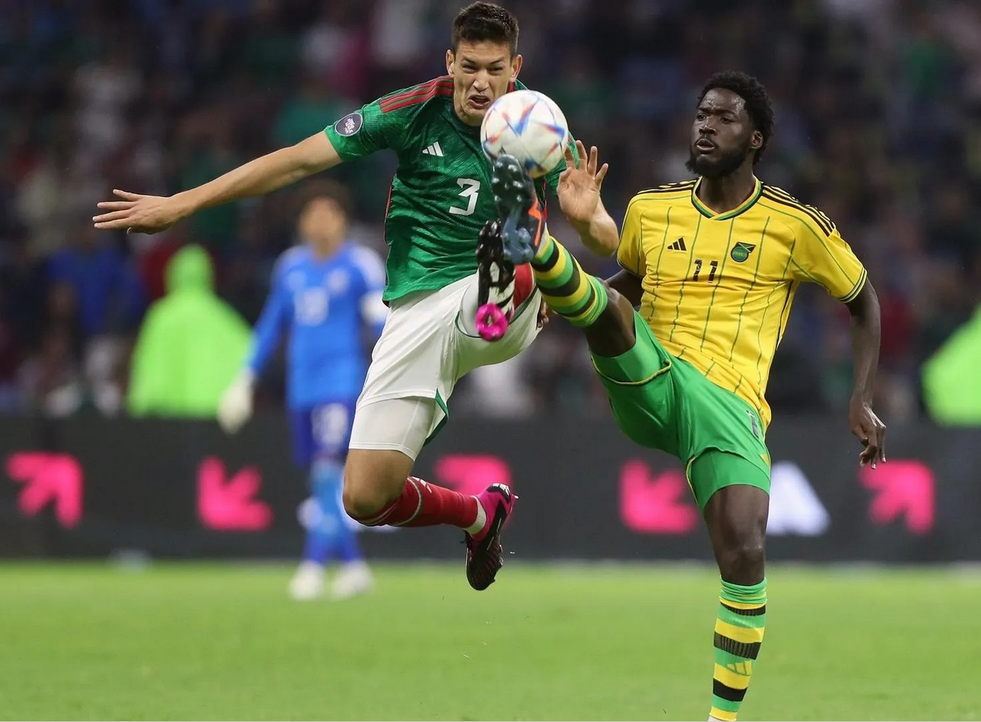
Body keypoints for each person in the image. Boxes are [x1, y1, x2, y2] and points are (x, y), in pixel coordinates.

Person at [94, 2, 613, 590]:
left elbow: (606, 236)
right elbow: (296, 161)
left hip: (502, 304)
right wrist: (184, 202)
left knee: (511, 250)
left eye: (495, 68)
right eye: (469, 66)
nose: (481, 82)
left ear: (515, 67)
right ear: (450, 60)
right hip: (418, 313)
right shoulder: (411, 111)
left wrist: (588, 218)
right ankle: (479, 515)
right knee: (365, 496)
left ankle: (506, 269)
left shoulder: (538, 126)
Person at [492, 72, 888, 721]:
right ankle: (534, 241)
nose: (705, 126)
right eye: (701, 115)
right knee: (615, 310)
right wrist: (574, 263)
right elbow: (625, 286)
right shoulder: (652, 208)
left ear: (755, 138)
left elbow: (862, 299)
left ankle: (721, 720)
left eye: (723, 118)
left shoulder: (794, 225)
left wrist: (862, 397)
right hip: (652, 376)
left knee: (745, 551)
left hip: (729, 409)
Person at [218, 181, 384, 601]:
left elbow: (384, 325)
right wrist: (245, 378)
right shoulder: (290, 268)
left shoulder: (360, 266)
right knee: (320, 479)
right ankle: (352, 567)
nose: (321, 222)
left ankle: (312, 566)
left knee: (328, 470)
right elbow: (272, 324)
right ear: (302, 222)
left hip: (341, 384)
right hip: (301, 389)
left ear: (343, 221)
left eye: (330, 213)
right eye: (313, 214)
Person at [127, 244, 251, 418]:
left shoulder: (162, 316)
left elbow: (149, 369)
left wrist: (139, 406)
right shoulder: (223, 315)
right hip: (212, 418)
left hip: (169, 422)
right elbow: (249, 354)